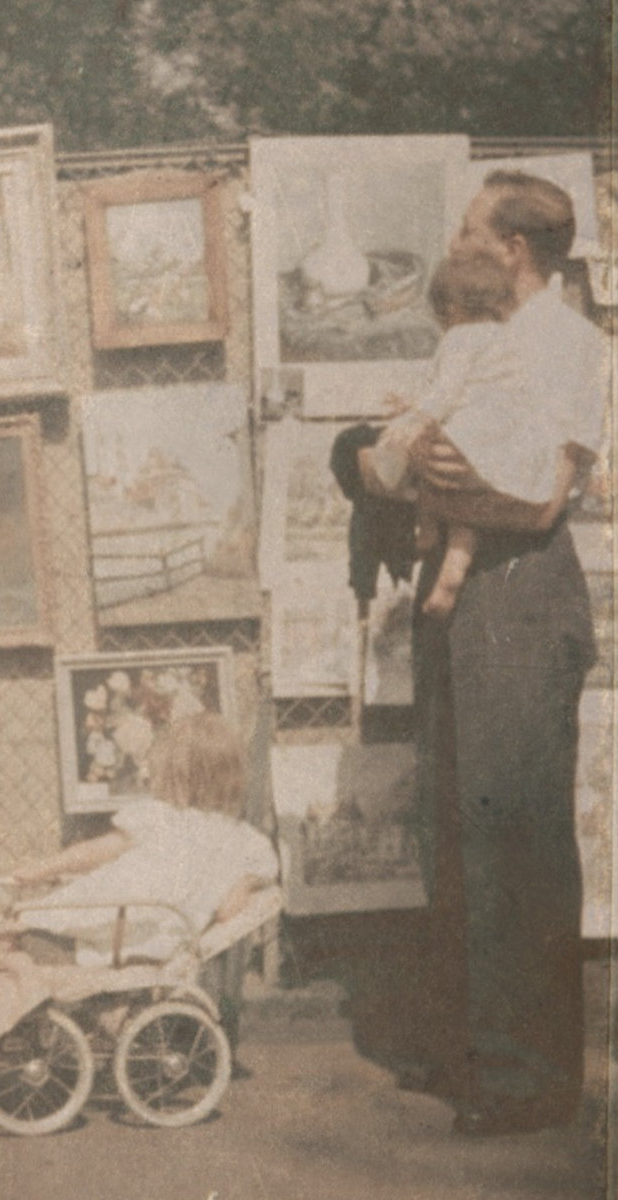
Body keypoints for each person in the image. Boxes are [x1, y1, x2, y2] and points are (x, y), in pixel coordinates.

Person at [357, 170, 606, 1136]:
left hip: (521, 592)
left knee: (518, 839)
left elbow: (542, 500)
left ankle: (530, 1077)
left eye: (468, 228)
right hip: (464, 596)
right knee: (456, 828)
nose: (455, 241)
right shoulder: (482, 334)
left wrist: (436, 488)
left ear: (512, 248)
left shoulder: (572, 343)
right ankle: (473, 1047)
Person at [0, 712, 278, 983]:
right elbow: (230, 913)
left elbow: (94, 852)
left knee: (26, 924)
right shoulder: (248, 844)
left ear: (172, 773)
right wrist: (234, 892)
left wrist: (41, 869)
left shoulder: (159, 816)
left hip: (111, 939)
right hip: (154, 942)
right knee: (27, 923)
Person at [365, 252, 571, 617]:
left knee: (414, 453)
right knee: (469, 502)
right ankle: (453, 570)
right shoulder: (510, 338)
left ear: (450, 308)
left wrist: (414, 416)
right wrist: (415, 403)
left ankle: (428, 532)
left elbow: (446, 391)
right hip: (507, 445)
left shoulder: (461, 337)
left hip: (472, 434)